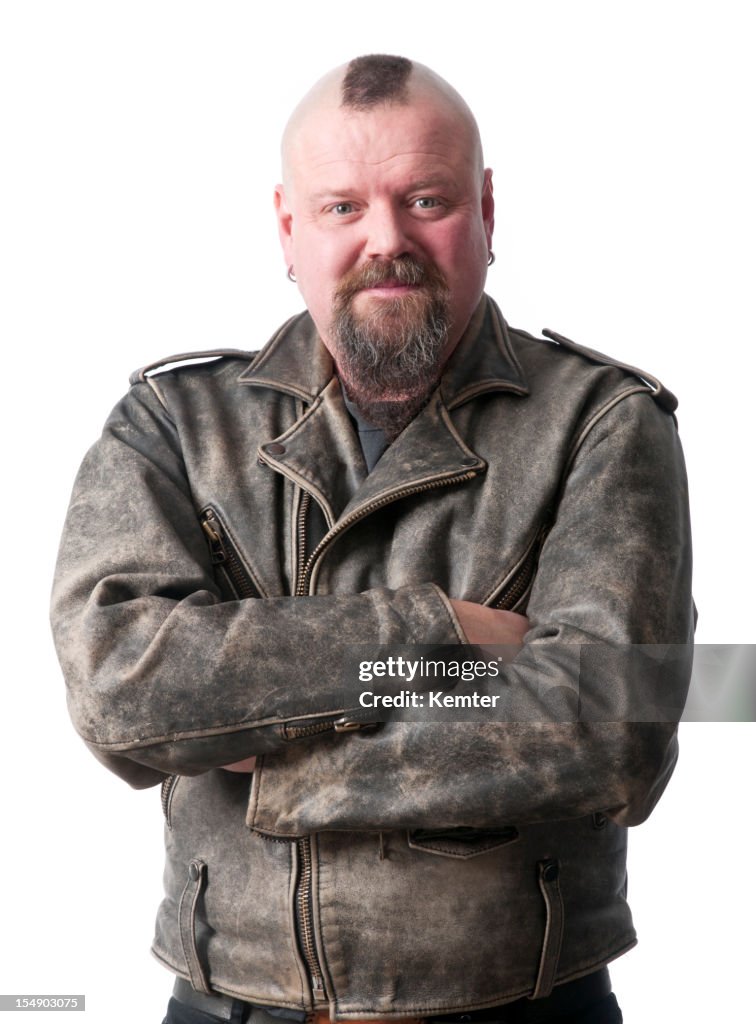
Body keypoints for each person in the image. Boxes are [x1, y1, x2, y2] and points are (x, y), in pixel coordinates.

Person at [50, 54, 694, 1024]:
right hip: (229, 1006)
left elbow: (611, 724)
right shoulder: (171, 425)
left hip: (518, 1007)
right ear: (289, 230)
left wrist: (274, 741)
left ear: (485, 210)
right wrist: (437, 630)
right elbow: (121, 691)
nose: (386, 239)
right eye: (343, 207)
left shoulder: (602, 422)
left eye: (424, 198)